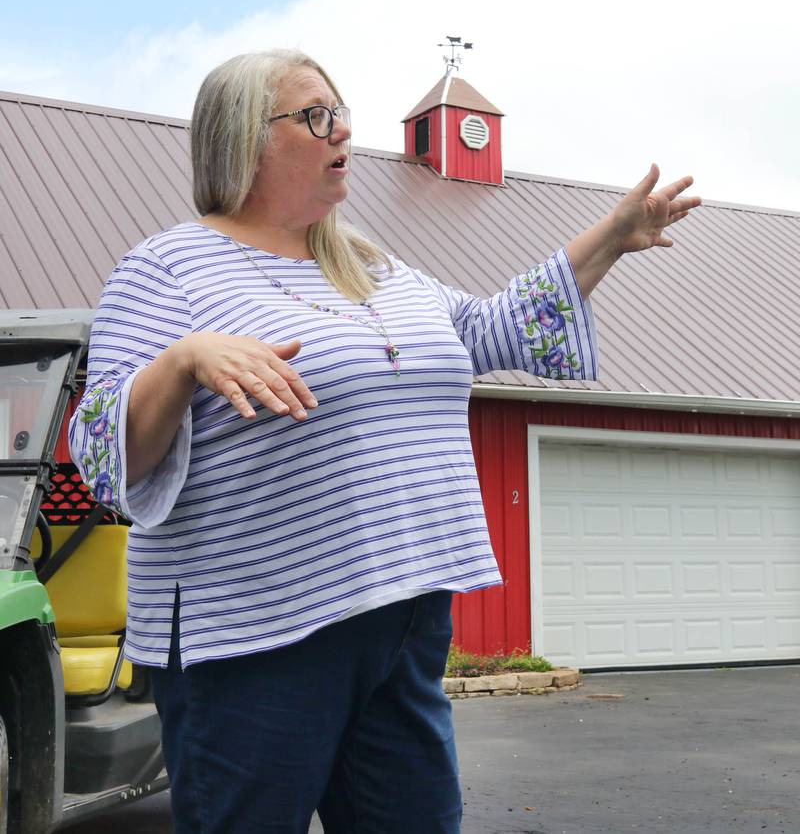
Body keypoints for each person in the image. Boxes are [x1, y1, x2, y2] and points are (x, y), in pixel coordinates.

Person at [69, 49, 701, 834]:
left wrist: (610, 236)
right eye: (314, 115)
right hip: (256, 638)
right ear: (245, 140)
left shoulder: (373, 266)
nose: (343, 130)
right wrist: (184, 358)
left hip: (401, 613)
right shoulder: (167, 269)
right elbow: (99, 452)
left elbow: (490, 327)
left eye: (340, 112)